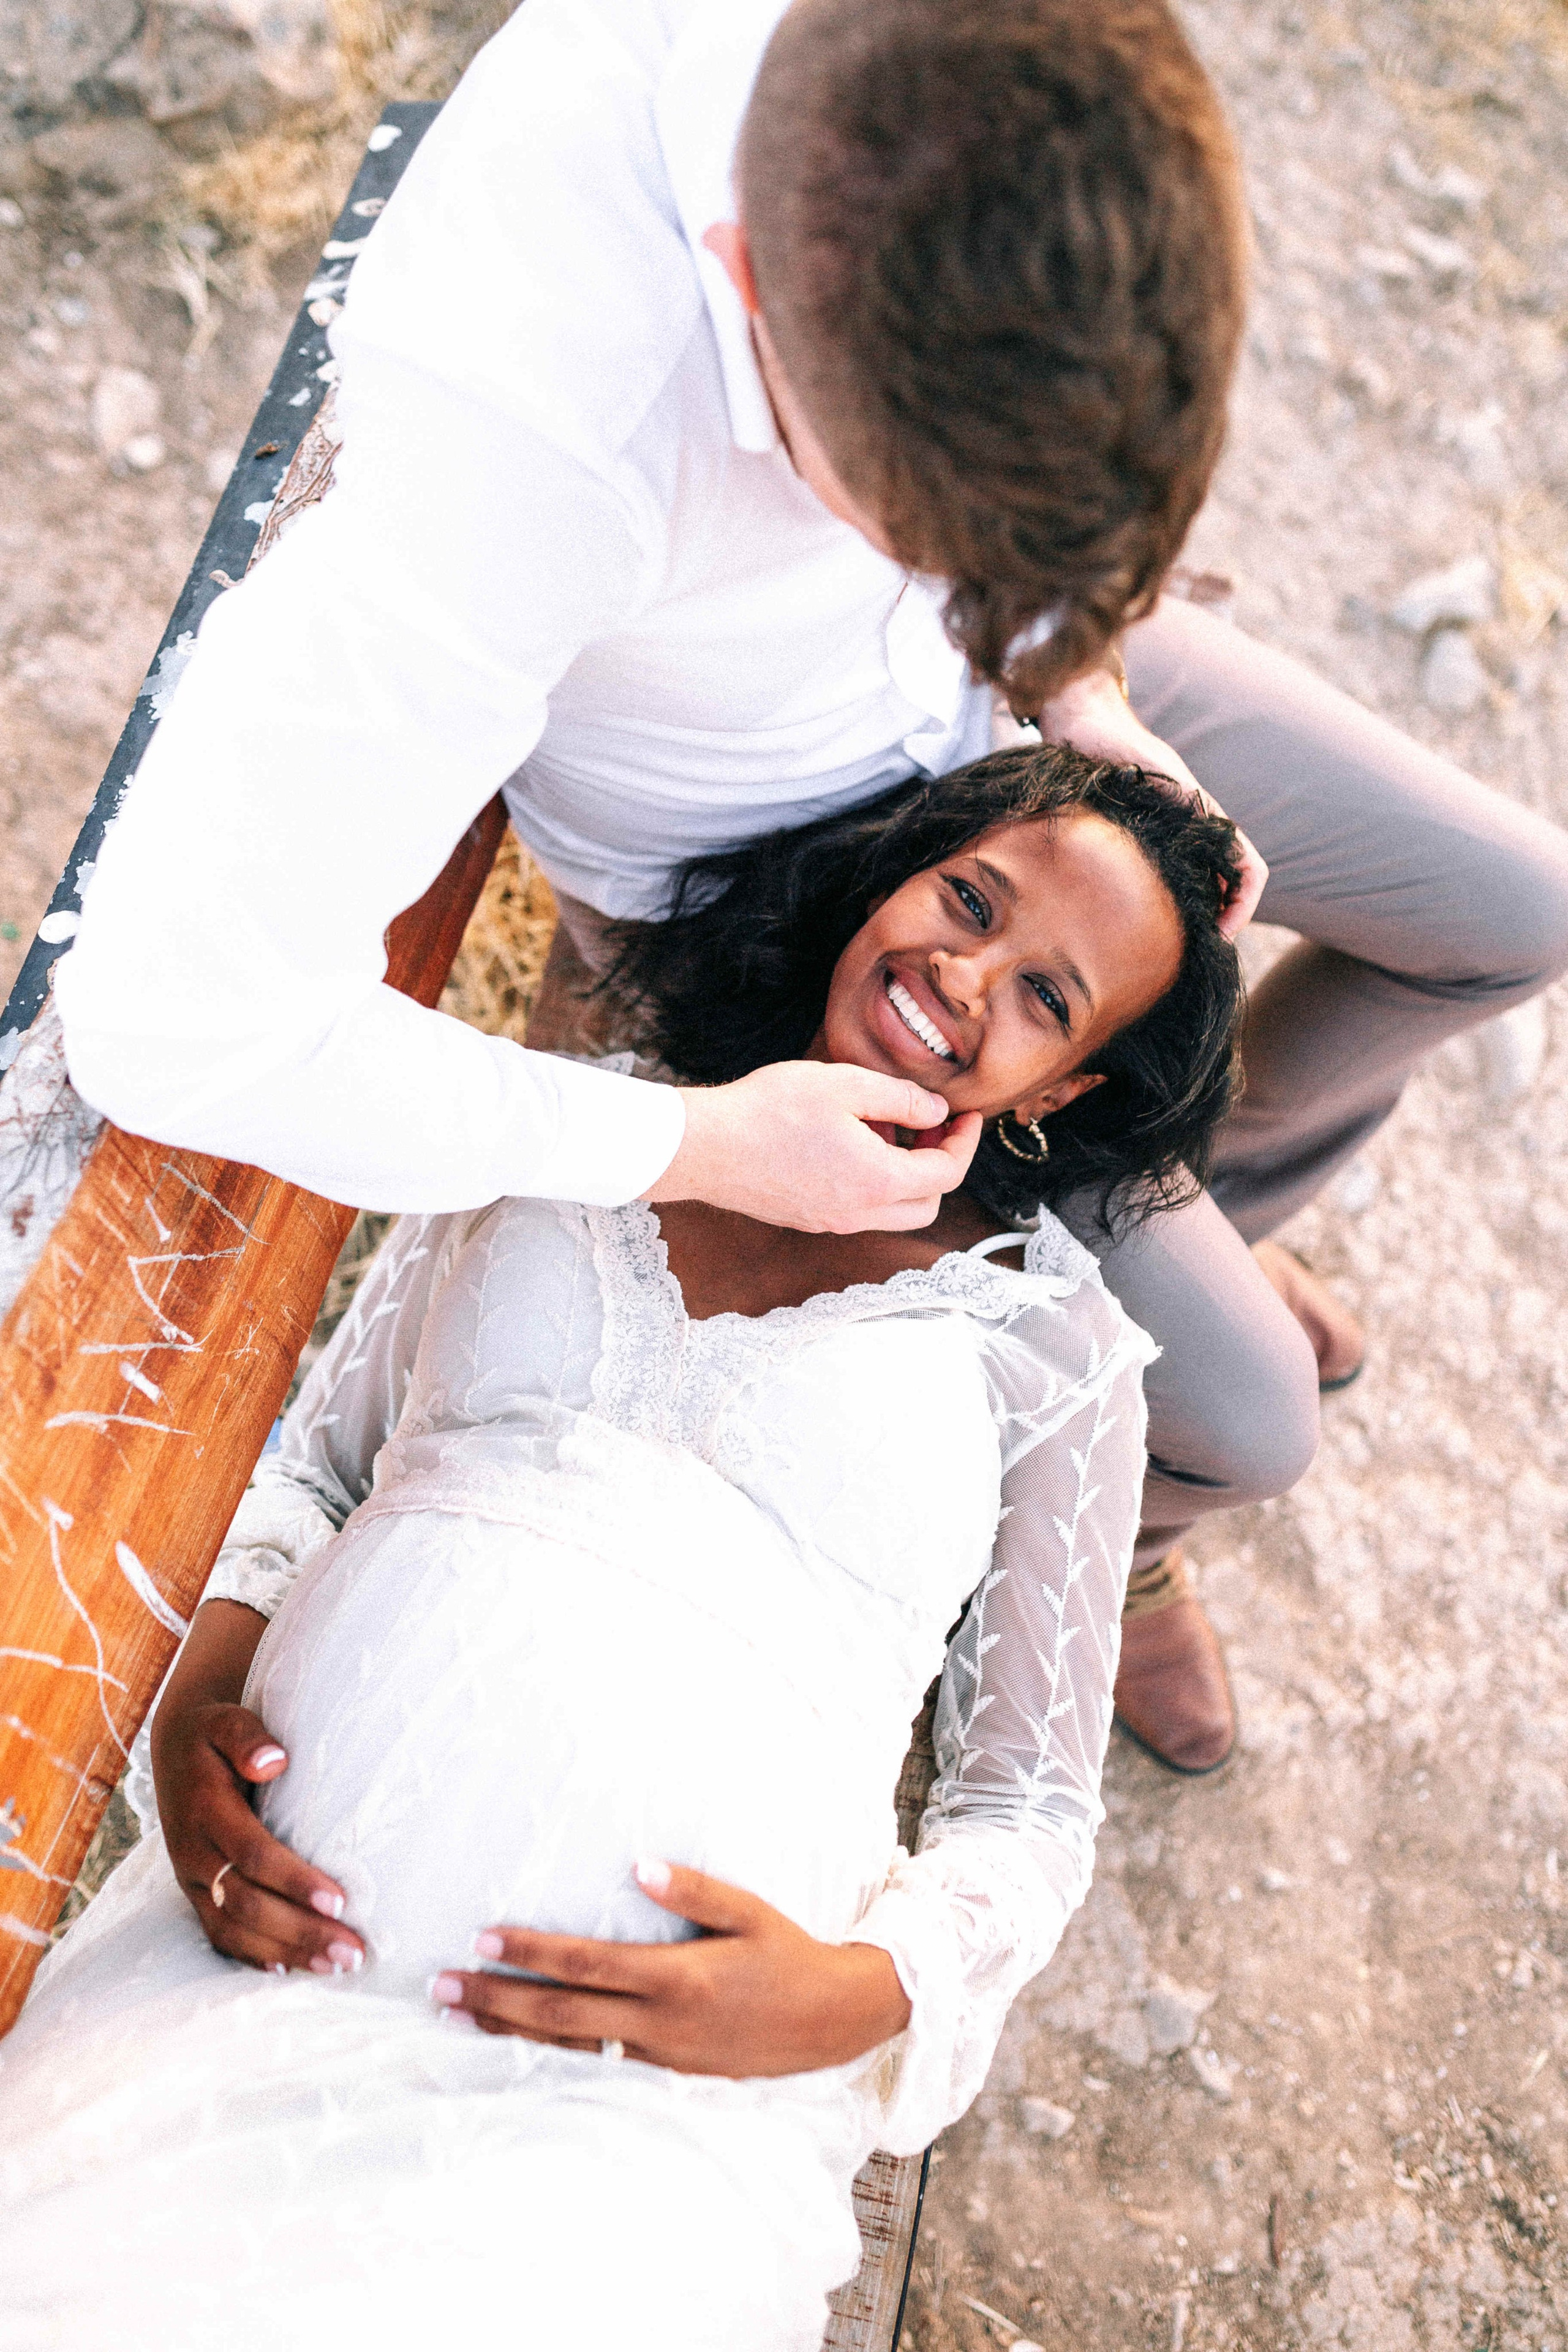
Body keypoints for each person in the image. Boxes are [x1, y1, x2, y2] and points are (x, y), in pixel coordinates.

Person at [50, 0, 1568, 1768]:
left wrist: (1084, 687)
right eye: (917, 536)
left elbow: (1004, 509)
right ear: (737, 281)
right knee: (1253, 1413)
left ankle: (1136, 1203)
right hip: (762, 902)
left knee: (1514, 913)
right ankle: (1117, 1518)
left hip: (1002, 729)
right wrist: (700, 1144)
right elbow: (171, 1017)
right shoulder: (525, 431)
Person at [3, 747, 1242, 2351]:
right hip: (250, 1964)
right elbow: (315, 1463)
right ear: (901, 873)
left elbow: (1027, 1809)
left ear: (1066, 1086)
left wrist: (859, 1995)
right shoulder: (595, 1114)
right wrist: (197, 1707)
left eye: (1044, 994)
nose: (965, 971)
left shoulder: (1052, 1343)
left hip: (633, 2104)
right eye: (969, 898)